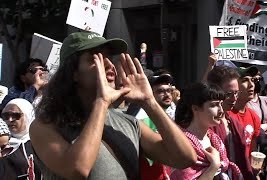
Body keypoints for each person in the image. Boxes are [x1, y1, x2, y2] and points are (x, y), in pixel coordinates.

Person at [29, 31, 196, 179]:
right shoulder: (45, 126)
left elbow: (185, 158)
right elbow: (77, 169)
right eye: (96, 58)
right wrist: (101, 102)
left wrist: (149, 101)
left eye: (108, 57)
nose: (109, 65)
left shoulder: (129, 123)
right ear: (73, 73)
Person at [171, 83, 242, 180]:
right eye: (214, 105)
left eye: (221, 104)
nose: (221, 110)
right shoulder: (181, 143)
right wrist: (214, 166)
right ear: (195, 108)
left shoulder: (215, 139)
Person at [206, 64, 254, 179]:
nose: (234, 98)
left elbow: (243, 161)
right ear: (214, 91)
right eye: (228, 94)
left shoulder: (235, 124)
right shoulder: (203, 124)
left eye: (236, 93)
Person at [0, 98, 41, 179]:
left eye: (16, 115)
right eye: (6, 116)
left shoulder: (39, 143)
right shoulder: (3, 141)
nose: (10, 120)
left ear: (28, 115)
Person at [229, 66, 261, 158]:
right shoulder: (224, 115)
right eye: (245, 80)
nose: (251, 85)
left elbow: (252, 151)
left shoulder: (254, 117)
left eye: (253, 80)